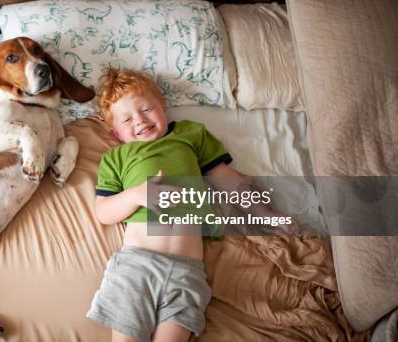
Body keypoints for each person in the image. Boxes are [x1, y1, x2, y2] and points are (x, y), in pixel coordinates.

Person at [86, 69, 296, 342]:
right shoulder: (116, 157)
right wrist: (138, 196)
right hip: (138, 265)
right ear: (115, 133)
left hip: (187, 271)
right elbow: (103, 212)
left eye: (147, 108)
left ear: (163, 106)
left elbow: (227, 180)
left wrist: (267, 214)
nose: (140, 120)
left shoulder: (189, 135)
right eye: (127, 119)